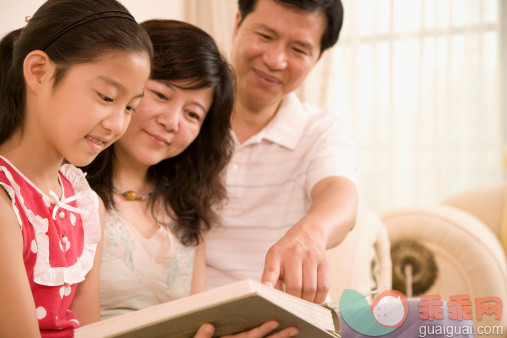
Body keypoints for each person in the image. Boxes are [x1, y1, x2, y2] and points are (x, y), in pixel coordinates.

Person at [83, 19, 298, 338]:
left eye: (192, 114)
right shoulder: (69, 192)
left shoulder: (186, 213)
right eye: (160, 94)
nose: (171, 122)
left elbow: (197, 323)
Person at [0, 0, 152, 336]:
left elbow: (90, 329)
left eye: (130, 107)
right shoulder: (4, 206)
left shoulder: (84, 205)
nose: (116, 124)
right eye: (106, 97)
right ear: (39, 71)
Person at [205, 0, 359, 305]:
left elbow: (340, 194)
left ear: (318, 58)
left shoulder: (321, 131)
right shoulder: (182, 121)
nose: (275, 60)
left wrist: (311, 232)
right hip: (197, 315)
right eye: (265, 36)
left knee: (444, 321)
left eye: (299, 50)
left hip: (284, 317)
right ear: (237, 24)